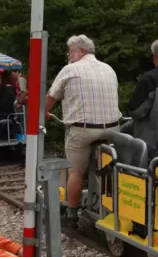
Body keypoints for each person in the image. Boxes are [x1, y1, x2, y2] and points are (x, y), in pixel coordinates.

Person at [45, 34, 121, 227]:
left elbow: (51, 97)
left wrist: (42, 113)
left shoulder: (70, 69)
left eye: (70, 51)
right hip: (113, 129)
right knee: (111, 169)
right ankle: (111, 207)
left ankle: (72, 214)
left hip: (83, 130)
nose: (69, 55)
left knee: (75, 172)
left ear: (81, 51)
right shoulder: (109, 69)